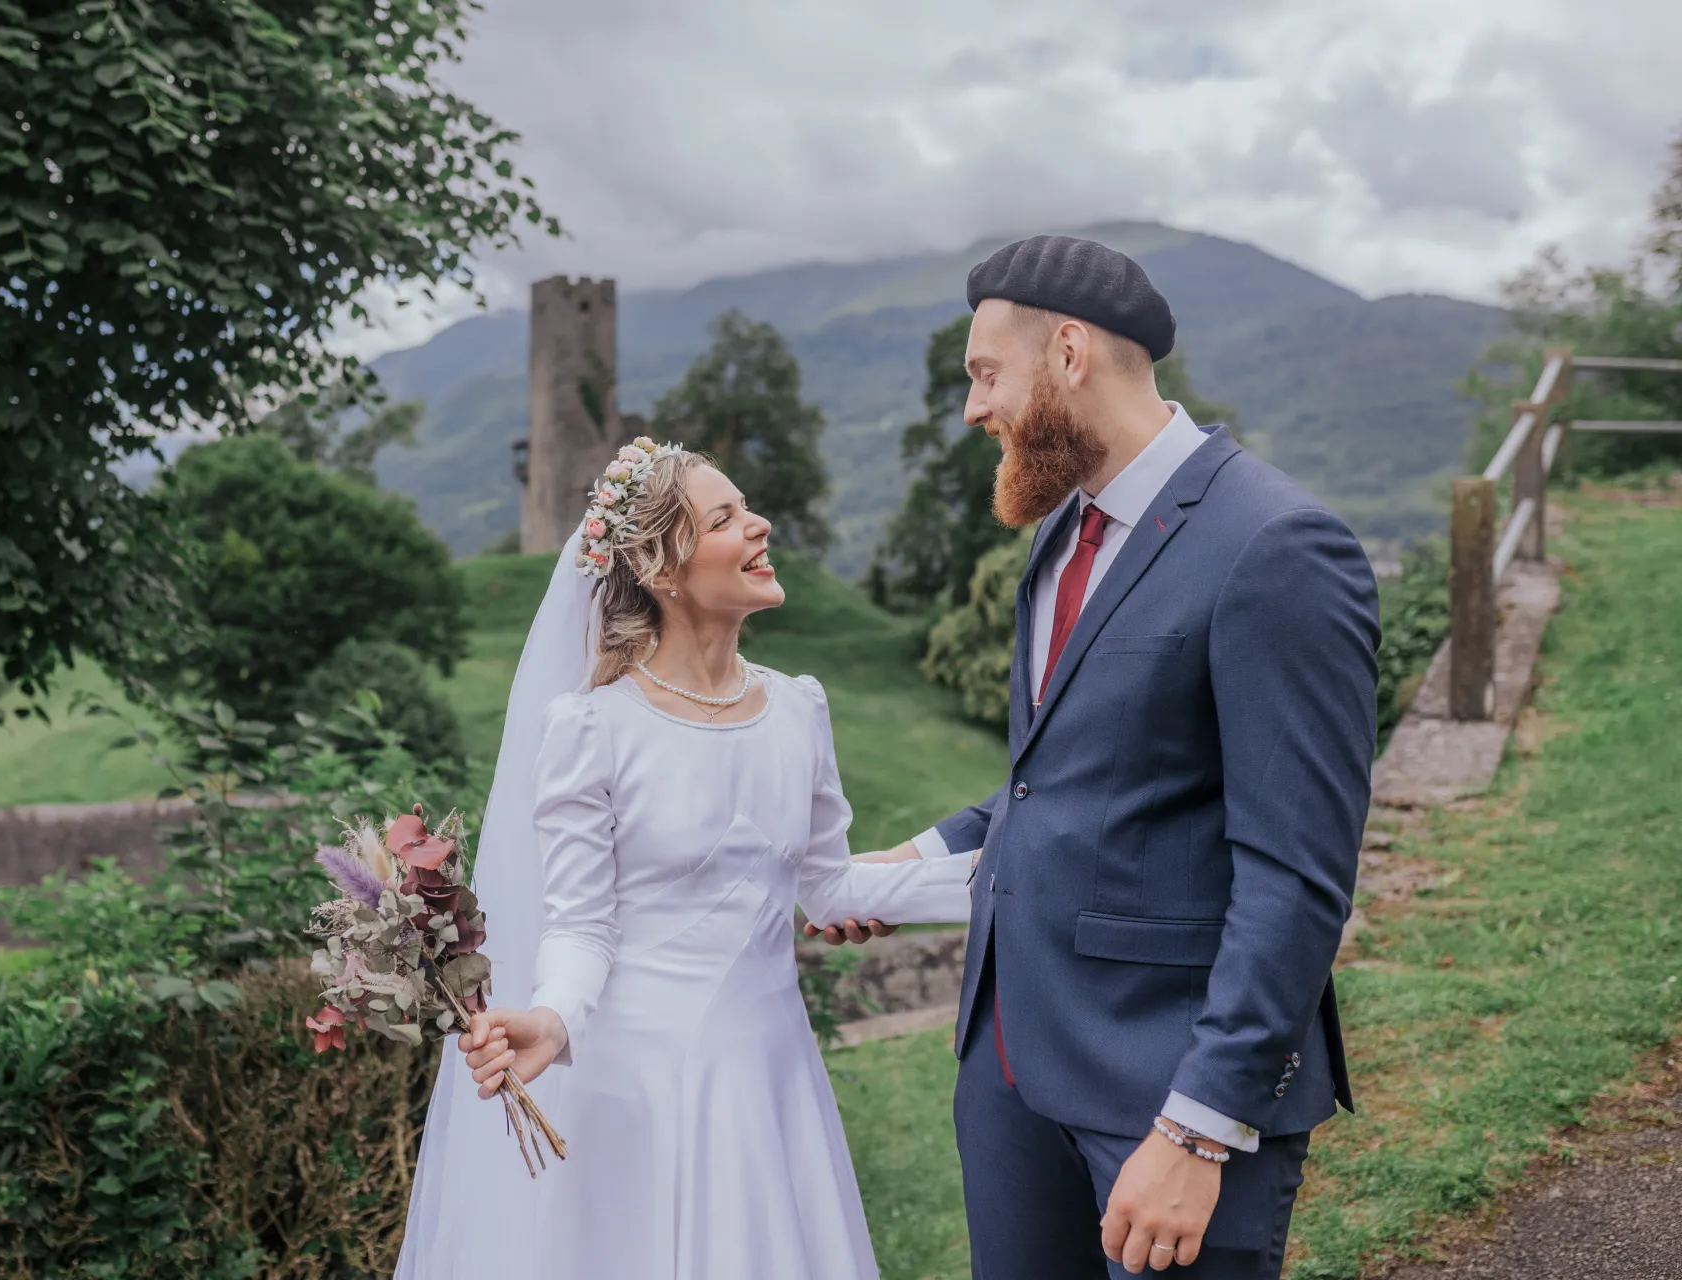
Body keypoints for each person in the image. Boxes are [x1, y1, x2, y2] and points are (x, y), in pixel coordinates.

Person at [815, 235, 1378, 1278]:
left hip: (1165, 1086)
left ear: (1068, 351)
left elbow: (1299, 877)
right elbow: (1067, 775)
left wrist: (1200, 1126)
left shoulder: (1279, 546)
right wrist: (913, 859)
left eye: (986, 374)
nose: (974, 409)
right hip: (1010, 1071)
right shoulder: (1063, 530)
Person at [394, 439, 973, 1280]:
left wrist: (1002, 875)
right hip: (640, 1093)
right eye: (726, 518)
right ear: (661, 568)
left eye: (749, 507)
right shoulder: (594, 731)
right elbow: (583, 925)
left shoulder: (798, 710)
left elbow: (829, 885)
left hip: (772, 1080)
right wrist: (552, 1021)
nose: (760, 525)